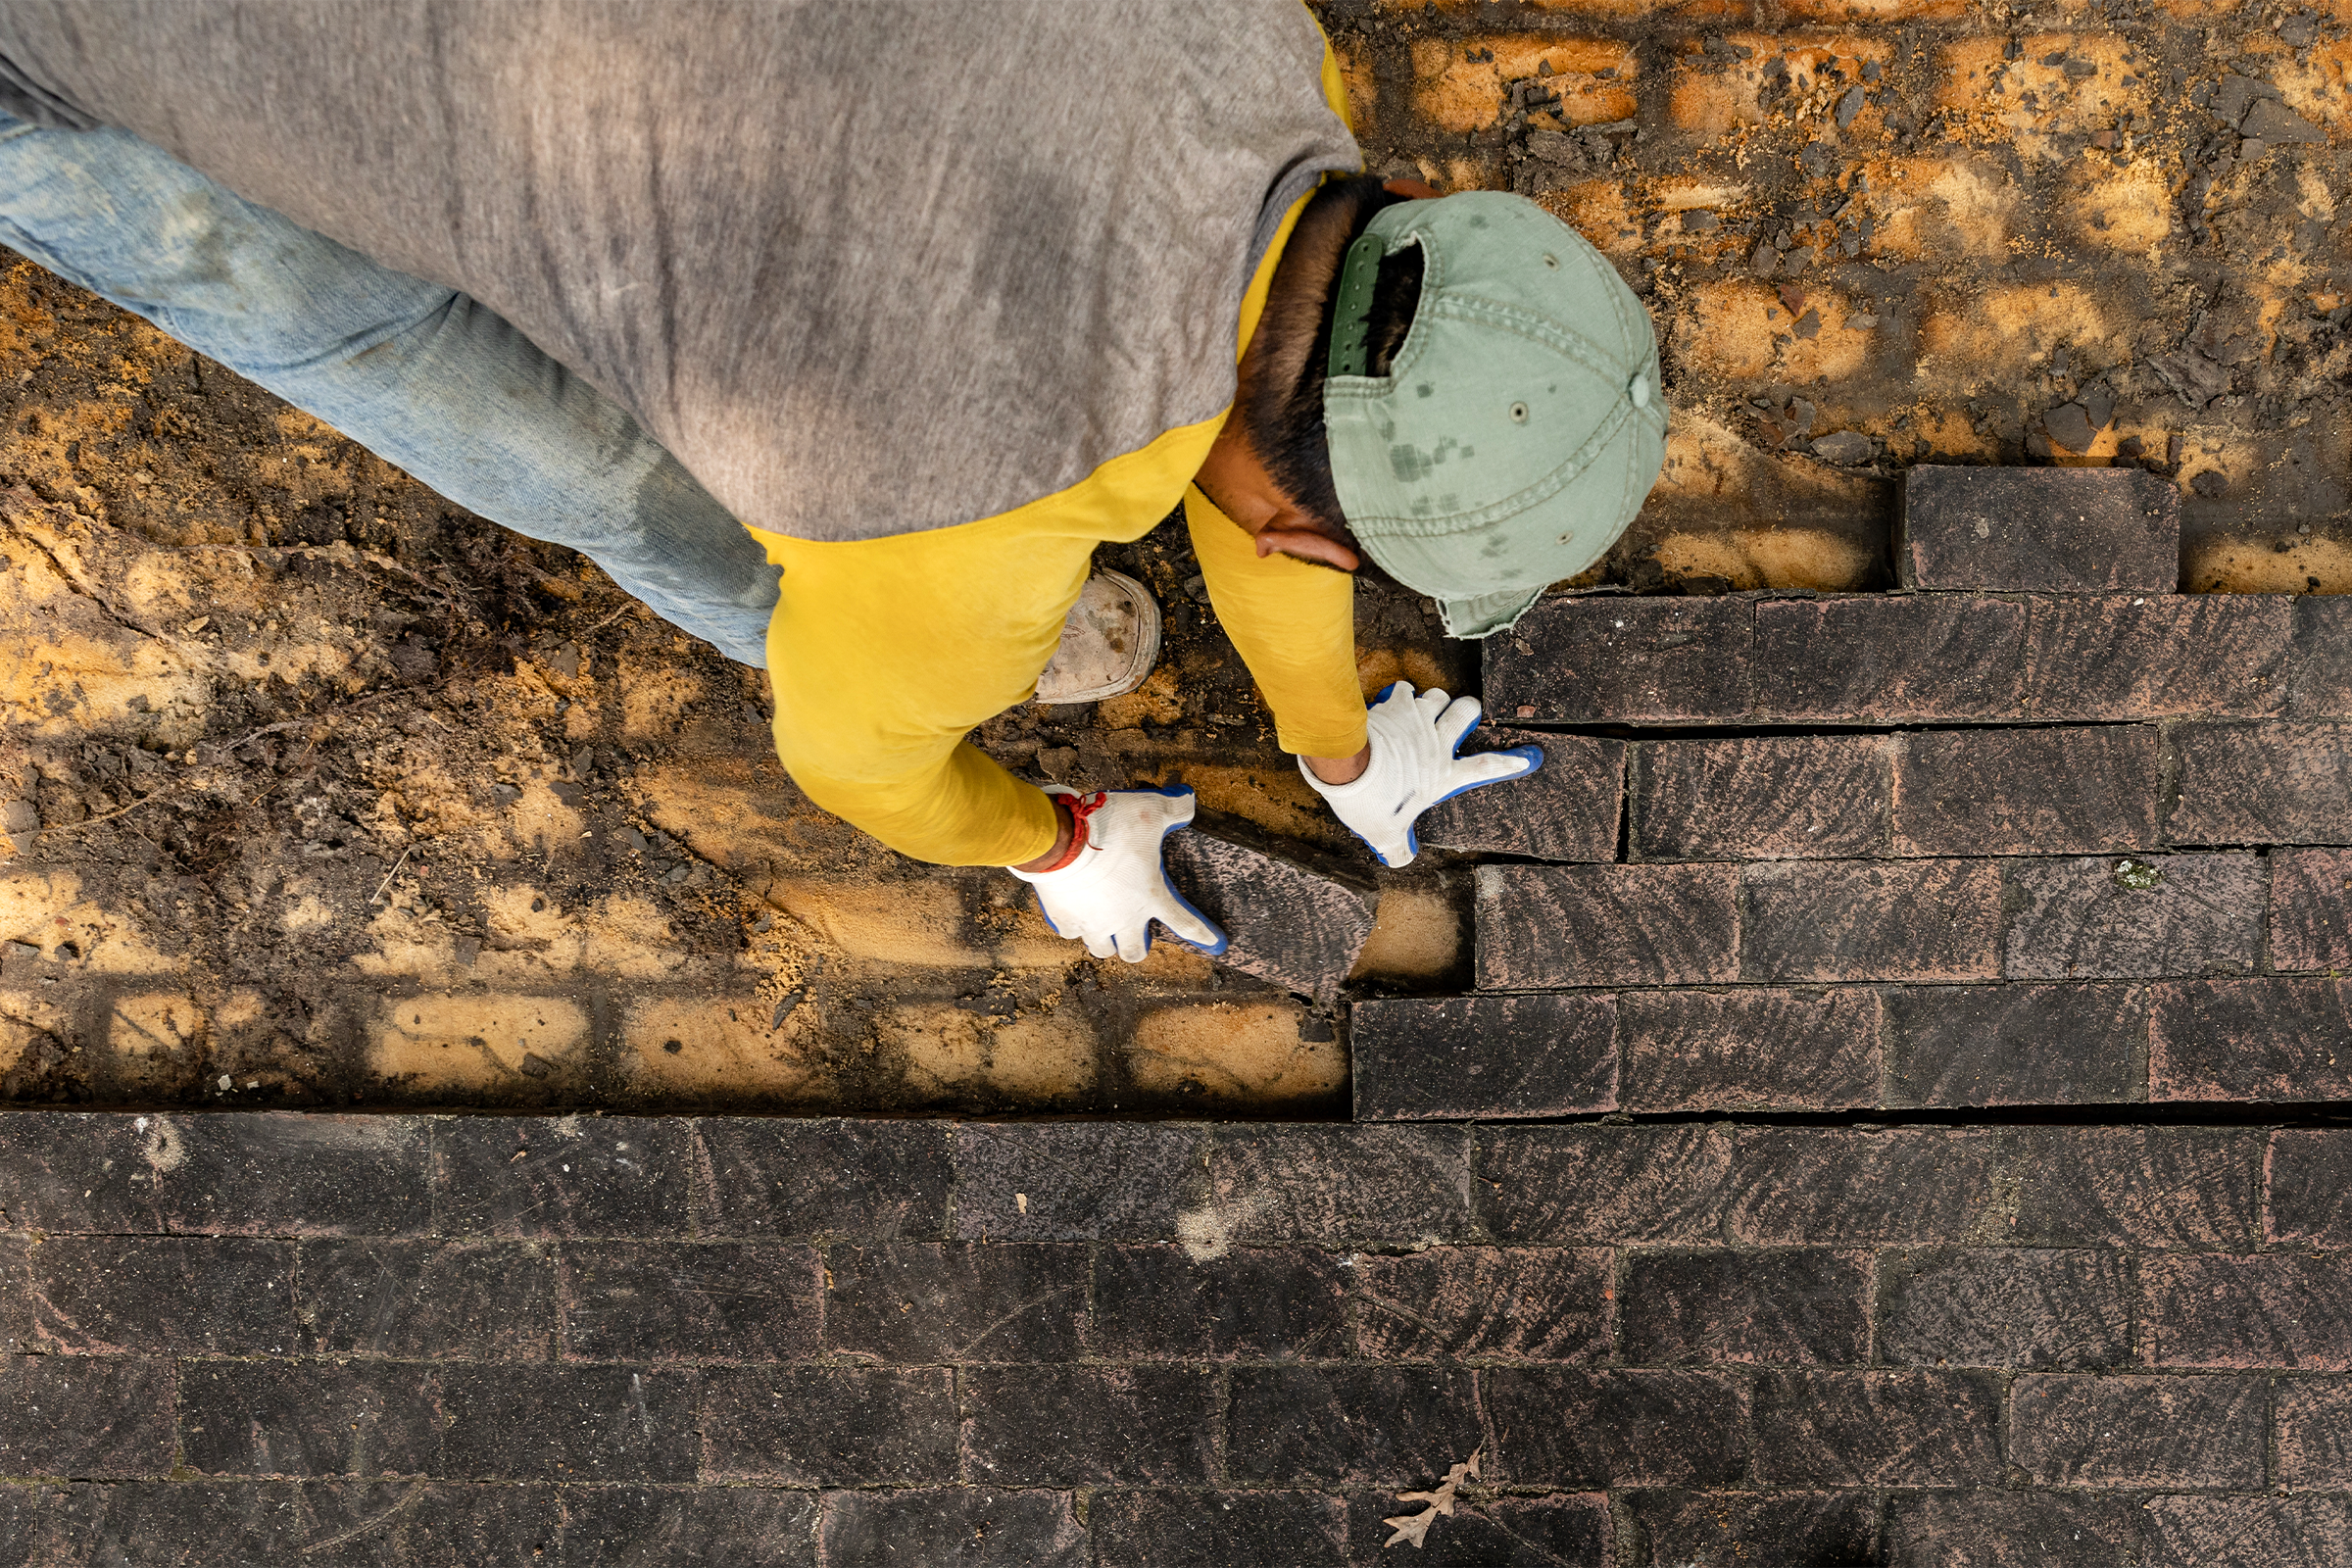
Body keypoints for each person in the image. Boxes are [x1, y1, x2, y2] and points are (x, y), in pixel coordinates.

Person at [0, 1, 1665, 963]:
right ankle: (781, 582)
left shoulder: (1247, 37)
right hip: (81, 50)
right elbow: (856, 763)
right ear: (1300, 527)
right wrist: (1050, 835)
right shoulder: (968, 502)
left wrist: (1335, 742)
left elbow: (1274, 411)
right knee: (508, 412)